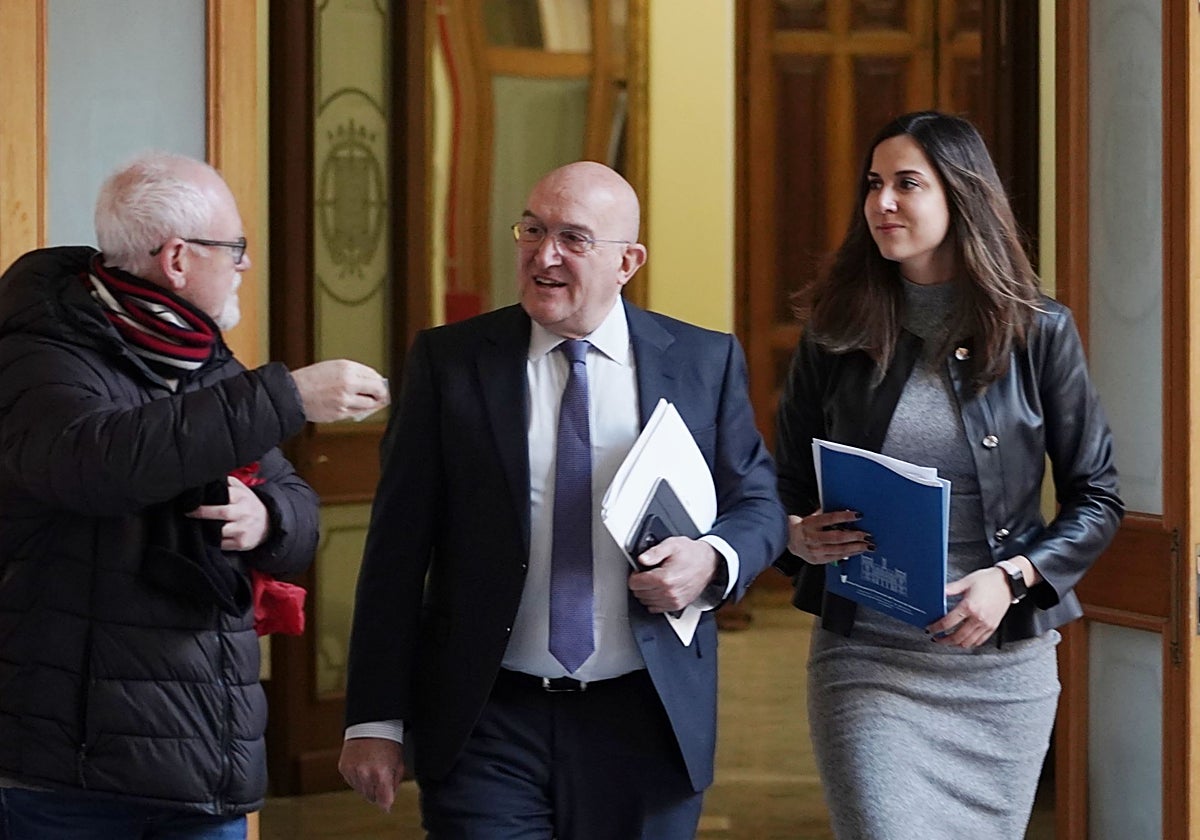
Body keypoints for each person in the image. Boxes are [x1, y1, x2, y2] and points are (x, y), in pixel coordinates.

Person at [338, 160, 787, 838]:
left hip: (647, 715)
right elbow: (396, 551)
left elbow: (758, 504)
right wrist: (373, 717)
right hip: (489, 716)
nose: (543, 255)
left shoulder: (701, 362)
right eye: (532, 230)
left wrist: (711, 561)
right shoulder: (451, 362)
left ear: (627, 261)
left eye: (573, 238)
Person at [0, 151, 390, 839]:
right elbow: (100, 461)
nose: (245, 264)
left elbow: (299, 510)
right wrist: (289, 394)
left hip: (205, 763)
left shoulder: (205, 360)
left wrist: (265, 516)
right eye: (235, 248)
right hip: (74, 772)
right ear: (178, 259)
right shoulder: (44, 349)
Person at [774, 111, 1123, 839]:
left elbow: (1098, 496)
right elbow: (779, 489)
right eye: (874, 184)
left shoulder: (1039, 330)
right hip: (867, 658)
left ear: (961, 196)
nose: (883, 203)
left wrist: (1015, 577)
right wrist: (795, 538)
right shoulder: (833, 333)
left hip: (1001, 671)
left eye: (908, 184)